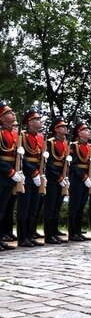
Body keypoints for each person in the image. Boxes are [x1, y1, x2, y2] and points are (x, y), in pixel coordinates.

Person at [17, 108, 45, 247]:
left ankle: (30, 235)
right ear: (30, 122)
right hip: (27, 175)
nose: (40, 122)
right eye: (37, 120)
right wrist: (33, 173)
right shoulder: (22, 135)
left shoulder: (39, 137)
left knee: (34, 207)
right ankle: (23, 238)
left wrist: (40, 173)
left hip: (38, 174)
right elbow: (22, 158)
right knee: (25, 206)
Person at [43, 117, 70, 245]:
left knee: (57, 207)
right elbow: (49, 163)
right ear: (56, 129)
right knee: (50, 206)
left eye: (65, 126)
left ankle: (54, 232)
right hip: (53, 178)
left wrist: (65, 177)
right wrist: (58, 177)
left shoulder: (66, 143)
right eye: (62, 127)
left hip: (62, 177)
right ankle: (49, 235)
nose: (65, 128)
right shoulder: (50, 142)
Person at [0, 101, 23, 250]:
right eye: (8, 113)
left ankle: (1, 237)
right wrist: (10, 171)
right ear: (1, 118)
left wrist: (18, 170)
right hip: (3, 174)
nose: (12, 114)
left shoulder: (14, 135)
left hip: (10, 176)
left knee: (3, 209)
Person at [68, 121, 91, 242]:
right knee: (74, 206)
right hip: (77, 179)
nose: (89, 132)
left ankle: (78, 231)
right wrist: (84, 177)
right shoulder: (74, 146)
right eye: (86, 130)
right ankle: (72, 233)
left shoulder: (89, 147)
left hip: (86, 179)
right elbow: (72, 165)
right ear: (79, 133)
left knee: (81, 207)